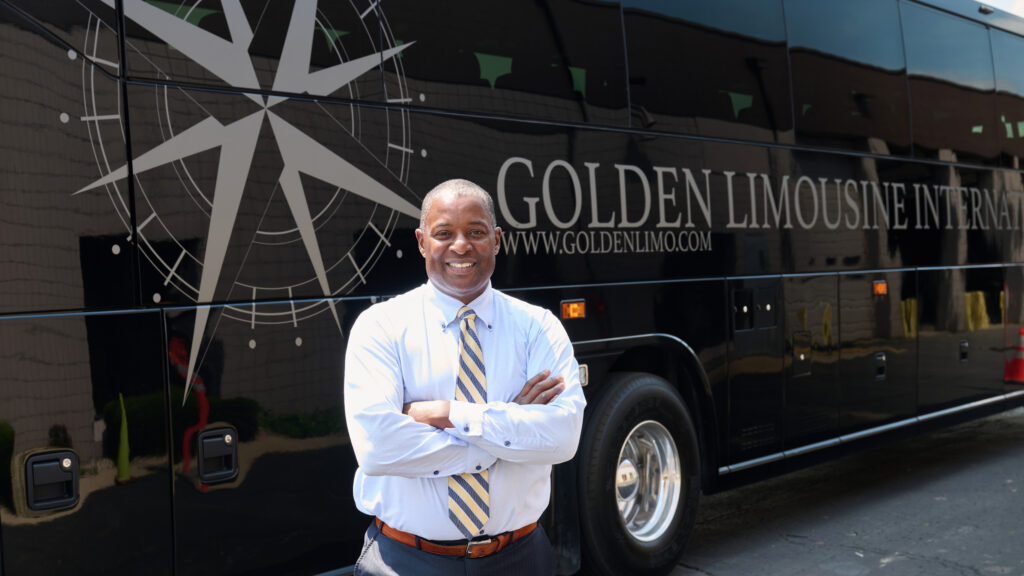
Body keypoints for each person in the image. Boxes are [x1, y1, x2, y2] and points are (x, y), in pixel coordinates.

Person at [344, 179, 586, 575]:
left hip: (521, 559)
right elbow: (378, 448)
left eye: (475, 232)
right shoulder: (380, 327)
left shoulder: (538, 327)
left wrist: (449, 414)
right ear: (422, 242)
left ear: (496, 240)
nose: (460, 246)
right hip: (405, 561)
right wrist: (506, 430)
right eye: (444, 233)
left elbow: (562, 437)